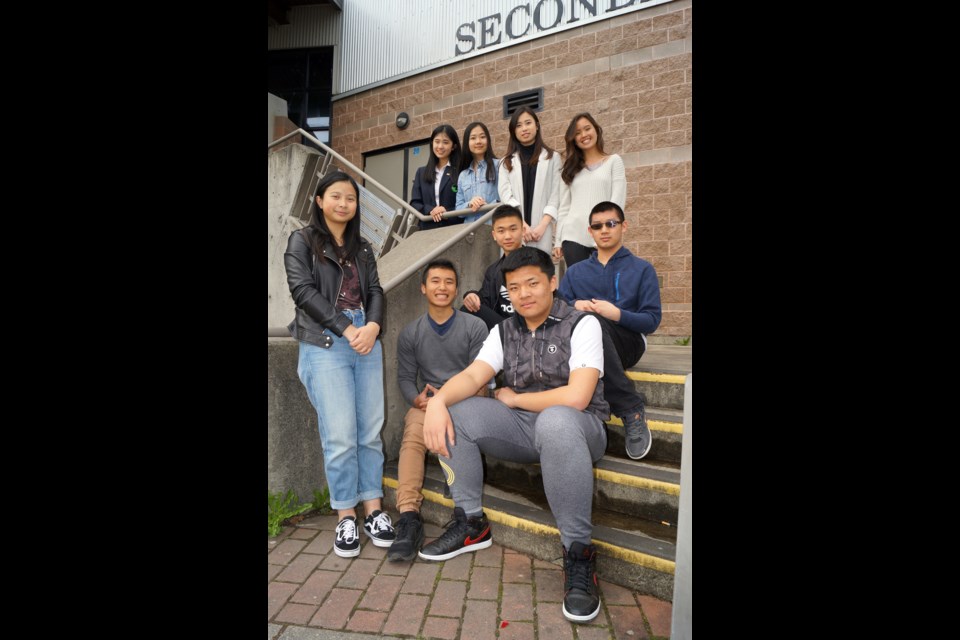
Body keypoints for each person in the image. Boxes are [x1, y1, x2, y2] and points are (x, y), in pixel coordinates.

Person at [420, 246, 609, 623]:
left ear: (552, 282)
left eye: (533, 283)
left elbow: (577, 396)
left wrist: (518, 398)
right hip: (525, 427)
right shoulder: (504, 330)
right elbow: (475, 375)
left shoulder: (581, 323)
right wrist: (438, 402)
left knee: (556, 419)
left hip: (579, 426)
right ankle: (471, 523)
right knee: (455, 413)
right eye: (514, 288)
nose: (523, 294)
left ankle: (578, 553)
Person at [284, 170, 396, 558]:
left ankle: (373, 510)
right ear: (319, 200)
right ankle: (345, 514)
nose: (344, 204)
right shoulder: (301, 241)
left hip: (366, 338)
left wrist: (375, 325)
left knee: (369, 431)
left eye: (350, 198)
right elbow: (303, 291)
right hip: (327, 341)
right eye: (336, 196)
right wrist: (348, 329)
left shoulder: (363, 248)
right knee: (341, 435)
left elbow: (376, 290)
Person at [389, 259, 490, 562]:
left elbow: (480, 378)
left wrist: (444, 399)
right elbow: (406, 378)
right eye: (435, 281)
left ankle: (462, 502)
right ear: (423, 288)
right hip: (430, 402)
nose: (442, 287)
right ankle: (408, 516)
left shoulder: (475, 326)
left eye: (449, 281)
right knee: (413, 431)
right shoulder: (411, 333)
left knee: (454, 419)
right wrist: (416, 399)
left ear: (456, 288)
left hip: (468, 399)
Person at [558, 201, 662, 460]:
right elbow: (558, 310)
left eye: (611, 224)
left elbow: (651, 320)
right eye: (597, 226)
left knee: (592, 323)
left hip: (628, 341)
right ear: (590, 231)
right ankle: (590, 422)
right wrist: (574, 305)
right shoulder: (575, 272)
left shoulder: (642, 269)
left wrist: (616, 313)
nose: (604, 229)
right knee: (586, 323)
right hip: (583, 346)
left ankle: (631, 408)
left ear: (623, 226)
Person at [554, 113, 626, 268]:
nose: (584, 135)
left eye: (587, 129)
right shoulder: (569, 169)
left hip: (604, 234)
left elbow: (617, 202)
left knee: (605, 286)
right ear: (573, 139)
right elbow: (564, 208)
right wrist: (558, 240)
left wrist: (606, 230)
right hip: (573, 237)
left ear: (596, 130)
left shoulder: (614, 161)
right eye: (578, 133)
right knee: (581, 288)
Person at [498, 107, 562, 254]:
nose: (524, 128)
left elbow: (556, 195)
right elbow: (506, 196)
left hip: (541, 230)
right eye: (519, 125)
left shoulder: (552, 157)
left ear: (537, 125)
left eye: (528, 123)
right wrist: (522, 225)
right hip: (515, 227)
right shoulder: (506, 162)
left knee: (539, 272)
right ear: (513, 131)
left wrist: (543, 225)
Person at [460, 205, 524, 330]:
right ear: (494, 235)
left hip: (529, 325)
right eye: (501, 231)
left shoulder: (536, 262)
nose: (507, 236)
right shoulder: (493, 270)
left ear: (523, 230)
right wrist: (472, 295)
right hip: (503, 326)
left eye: (513, 229)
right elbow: (485, 300)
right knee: (466, 308)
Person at [410, 124, 463, 231]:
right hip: (427, 230)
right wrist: (431, 210)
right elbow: (415, 203)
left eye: (445, 142)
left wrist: (446, 211)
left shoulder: (461, 171)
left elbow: (465, 201)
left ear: (454, 146)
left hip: (454, 229)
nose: (440, 146)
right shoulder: (421, 172)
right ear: (432, 143)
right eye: (437, 141)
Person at [456, 121, 500, 225]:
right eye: (473, 138)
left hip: (493, 227)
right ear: (467, 143)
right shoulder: (463, 175)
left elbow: (505, 198)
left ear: (488, 140)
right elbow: (458, 210)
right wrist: (469, 204)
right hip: (469, 232)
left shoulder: (499, 166)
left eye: (482, 137)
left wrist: (488, 205)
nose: (478, 141)